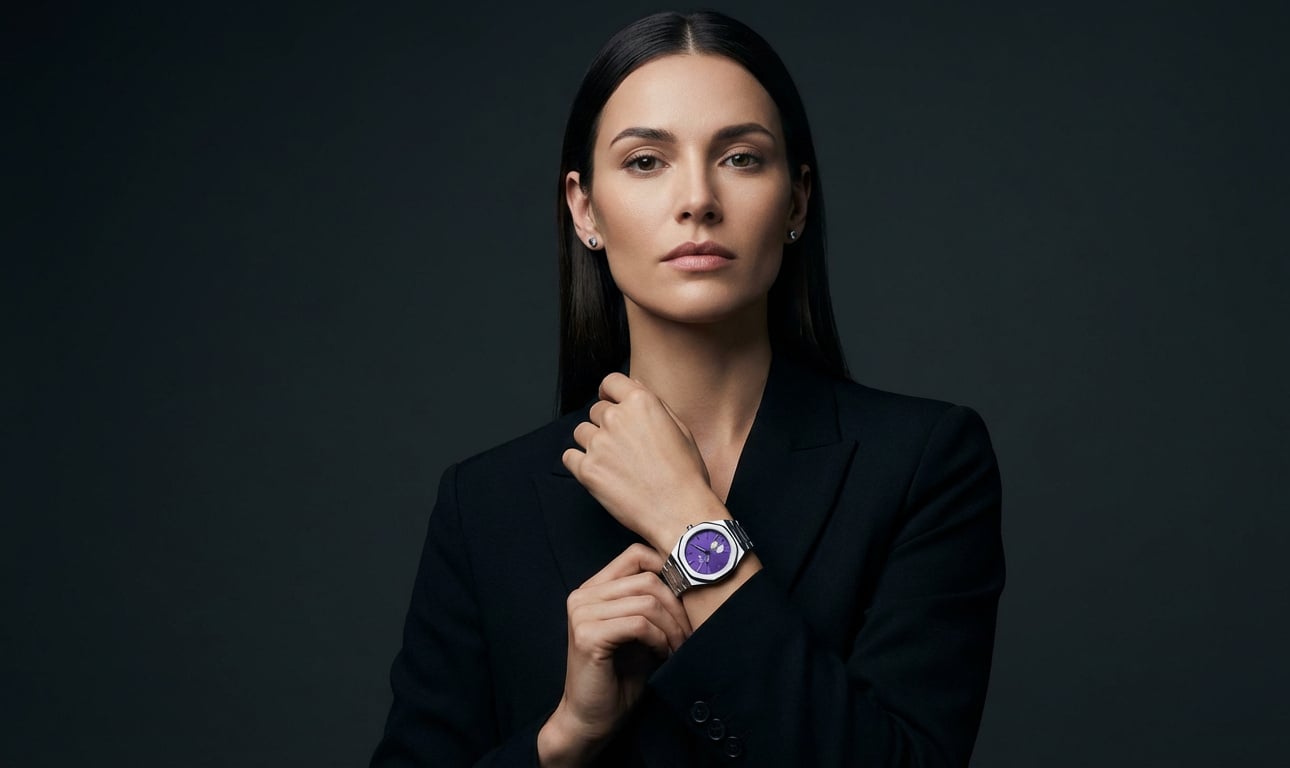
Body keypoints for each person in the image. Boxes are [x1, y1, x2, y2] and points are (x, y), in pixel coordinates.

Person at [371, 10, 1004, 767]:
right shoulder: (484, 504)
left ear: (797, 200)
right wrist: (565, 736)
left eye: (741, 158)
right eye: (646, 161)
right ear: (584, 208)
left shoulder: (923, 462)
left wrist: (691, 527)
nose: (698, 198)